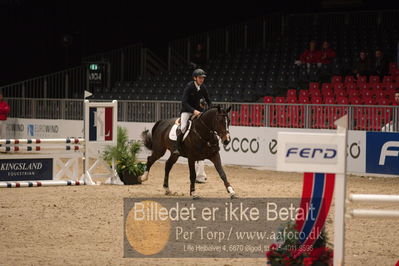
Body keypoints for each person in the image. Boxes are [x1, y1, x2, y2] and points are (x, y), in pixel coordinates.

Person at [173, 68, 211, 156]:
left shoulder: (203, 87)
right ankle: (177, 147)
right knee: (183, 127)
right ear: (195, 78)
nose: (202, 80)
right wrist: (194, 111)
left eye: (203, 78)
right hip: (187, 111)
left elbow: (208, 100)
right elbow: (184, 102)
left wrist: (209, 109)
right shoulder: (189, 86)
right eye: (200, 78)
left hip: (199, 111)